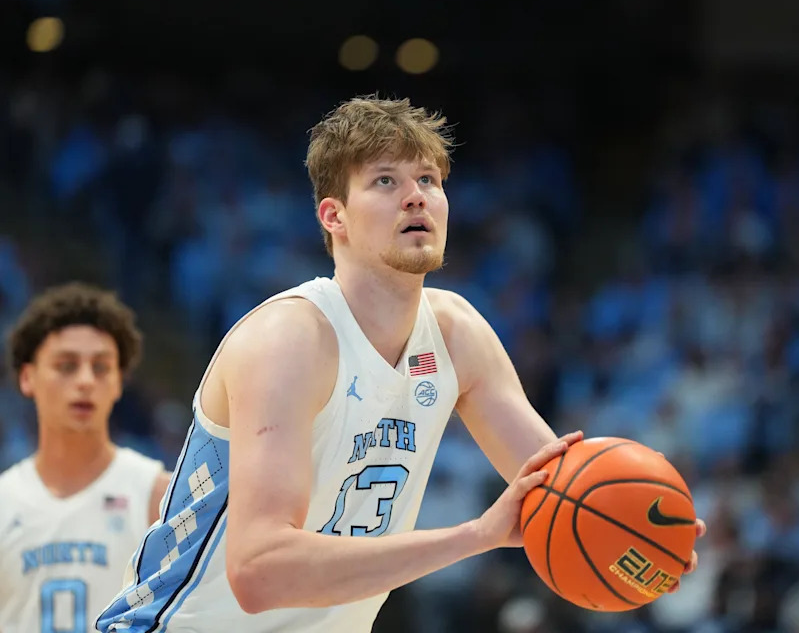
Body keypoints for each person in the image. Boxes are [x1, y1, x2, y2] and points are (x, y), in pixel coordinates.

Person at [96, 96, 706, 632]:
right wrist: (475, 536)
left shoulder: (456, 333)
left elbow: (559, 497)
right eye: (385, 181)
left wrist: (647, 538)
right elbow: (260, 572)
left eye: (429, 179)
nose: (416, 194)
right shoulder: (290, 339)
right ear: (333, 216)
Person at [0, 282, 170, 632]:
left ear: (119, 381)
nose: (85, 381)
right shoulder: (4, 502)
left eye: (101, 367)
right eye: (66, 366)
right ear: (27, 377)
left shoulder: (158, 497)